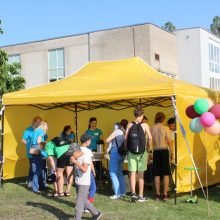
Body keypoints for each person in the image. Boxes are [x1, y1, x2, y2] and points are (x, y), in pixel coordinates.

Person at [125, 107, 152, 202]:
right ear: (142, 115)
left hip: (131, 152)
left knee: (132, 173)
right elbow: (150, 138)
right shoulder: (145, 125)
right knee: (141, 174)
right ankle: (140, 195)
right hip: (142, 153)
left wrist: (127, 150)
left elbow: (125, 139)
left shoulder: (129, 124)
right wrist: (148, 149)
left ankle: (133, 193)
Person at [70, 143, 102, 220]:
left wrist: (75, 162)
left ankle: (77, 218)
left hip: (84, 183)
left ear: (77, 151)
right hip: (78, 181)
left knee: (79, 203)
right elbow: (76, 168)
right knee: (83, 200)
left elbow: (84, 169)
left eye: (72, 153)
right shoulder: (77, 157)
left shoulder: (86, 157)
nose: (72, 154)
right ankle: (96, 213)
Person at [151, 112, 173, 201]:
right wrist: (171, 153)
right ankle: (164, 194)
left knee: (156, 174)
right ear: (163, 119)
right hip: (164, 150)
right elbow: (169, 142)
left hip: (156, 151)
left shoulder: (151, 128)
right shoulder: (166, 128)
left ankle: (157, 194)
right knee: (165, 173)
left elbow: (150, 142)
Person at [106, 122, 126, 199]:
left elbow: (107, 140)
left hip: (115, 153)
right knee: (120, 172)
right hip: (122, 154)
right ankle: (123, 191)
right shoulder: (124, 132)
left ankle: (117, 193)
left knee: (113, 173)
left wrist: (112, 134)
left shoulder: (116, 131)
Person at [22, 116, 42, 187]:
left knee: (40, 167)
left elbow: (45, 137)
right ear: (34, 122)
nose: (39, 123)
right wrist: (27, 142)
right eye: (38, 122)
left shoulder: (41, 130)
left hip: (40, 150)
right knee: (33, 166)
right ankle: (30, 180)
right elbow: (23, 139)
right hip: (31, 151)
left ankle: (40, 182)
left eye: (40, 122)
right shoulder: (28, 130)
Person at [30, 121, 48, 193]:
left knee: (39, 168)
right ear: (44, 126)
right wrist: (45, 144)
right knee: (39, 169)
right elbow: (39, 141)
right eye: (47, 126)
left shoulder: (36, 130)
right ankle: (35, 188)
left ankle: (41, 186)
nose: (47, 128)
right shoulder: (41, 131)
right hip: (38, 149)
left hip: (33, 150)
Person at [80, 133, 97, 205]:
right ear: (86, 141)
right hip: (88, 172)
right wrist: (93, 171)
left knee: (83, 190)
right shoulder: (88, 151)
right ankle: (88, 204)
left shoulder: (78, 149)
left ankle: (83, 203)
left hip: (80, 173)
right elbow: (90, 162)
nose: (91, 141)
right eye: (90, 140)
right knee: (93, 188)